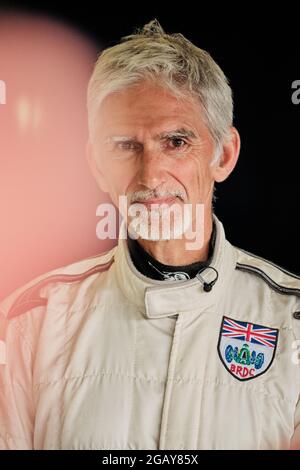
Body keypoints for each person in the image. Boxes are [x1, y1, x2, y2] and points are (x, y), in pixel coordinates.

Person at [0, 19, 299, 450]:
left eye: (176, 142)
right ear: (97, 163)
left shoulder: (293, 323)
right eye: (124, 145)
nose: (150, 174)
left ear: (224, 155)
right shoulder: (29, 322)